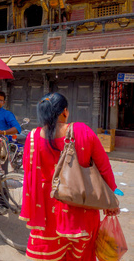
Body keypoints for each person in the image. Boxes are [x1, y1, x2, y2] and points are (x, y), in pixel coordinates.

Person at [20, 92, 119, 260]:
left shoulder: (33, 137)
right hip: (80, 207)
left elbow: (28, 171)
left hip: (45, 212)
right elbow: (104, 168)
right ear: (64, 111)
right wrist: (110, 202)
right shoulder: (82, 131)